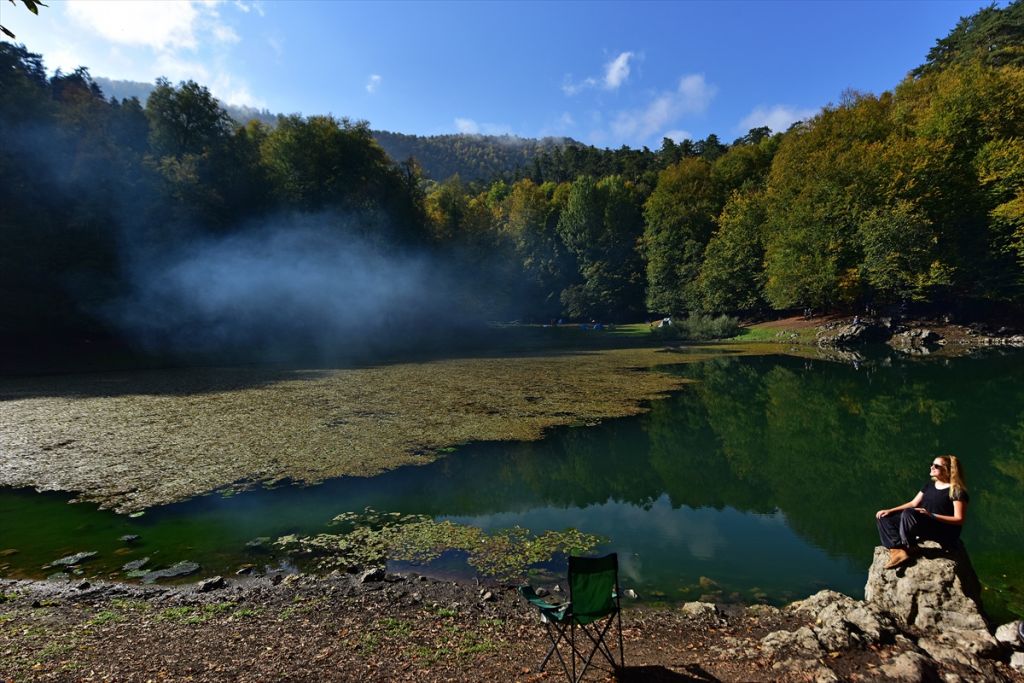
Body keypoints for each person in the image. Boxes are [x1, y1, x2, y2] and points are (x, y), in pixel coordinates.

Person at [875, 455, 969, 570]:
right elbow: (913, 503)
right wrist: (890, 510)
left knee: (909, 513)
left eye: (936, 466)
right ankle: (898, 550)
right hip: (925, 523)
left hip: (942, 530)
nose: (932, 467)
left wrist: (931, 515)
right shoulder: (929, 485)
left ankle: (910, 546)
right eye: (931, 464)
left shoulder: (957, 491)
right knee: (884, 517)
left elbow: (959, 519)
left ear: (947, 470)